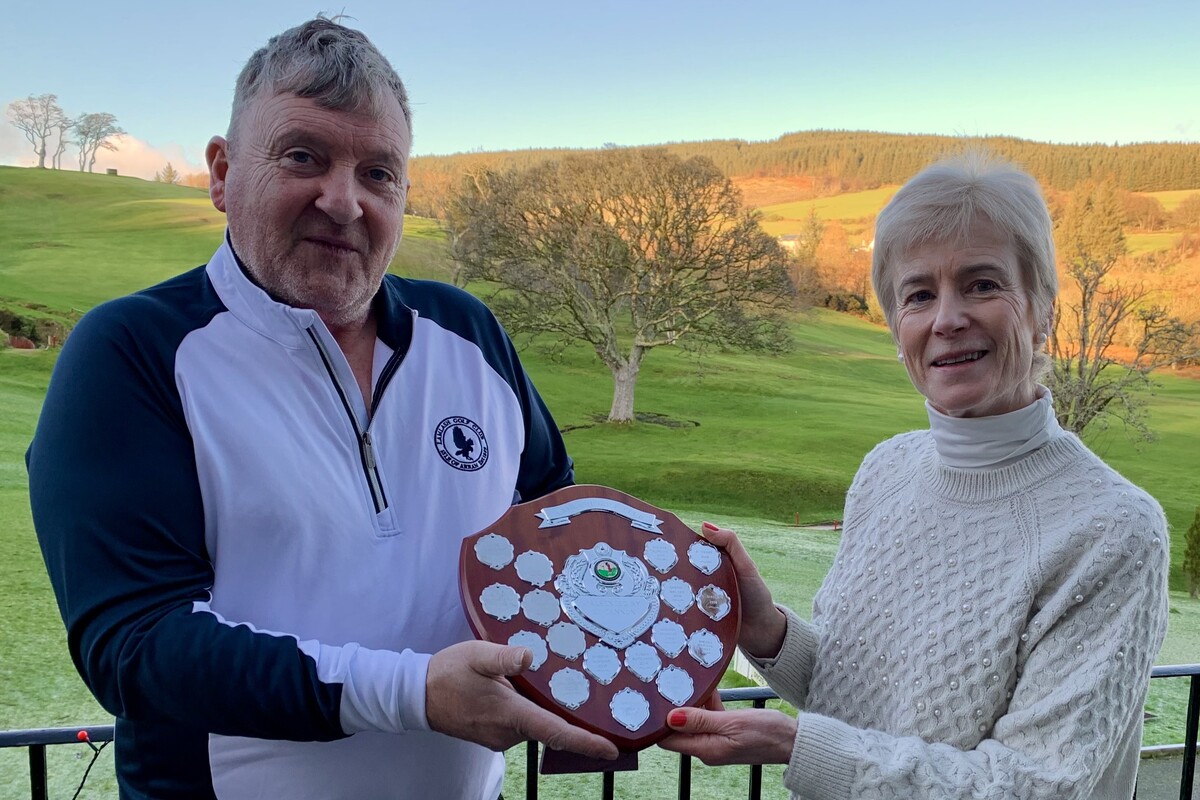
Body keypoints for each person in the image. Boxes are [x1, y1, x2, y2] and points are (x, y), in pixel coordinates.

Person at [26, 17, 616, 800]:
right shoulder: (133, 351)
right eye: (304, 156)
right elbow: (135, 645)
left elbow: (555, 533)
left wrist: (666, 631)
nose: (344, 202)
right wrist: (412, 693)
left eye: (379, 173)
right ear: (221, 172)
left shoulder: (468, 333)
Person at [660, 153, 1169, 799]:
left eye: (983, 284)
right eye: (919, 294)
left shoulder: (1113, 529)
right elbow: (867, 695)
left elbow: (1039, 785)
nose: (947, 319)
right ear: (898, 325)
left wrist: (796, 747)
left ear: (1043, 311)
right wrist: (766, 631)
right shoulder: (888, 469)